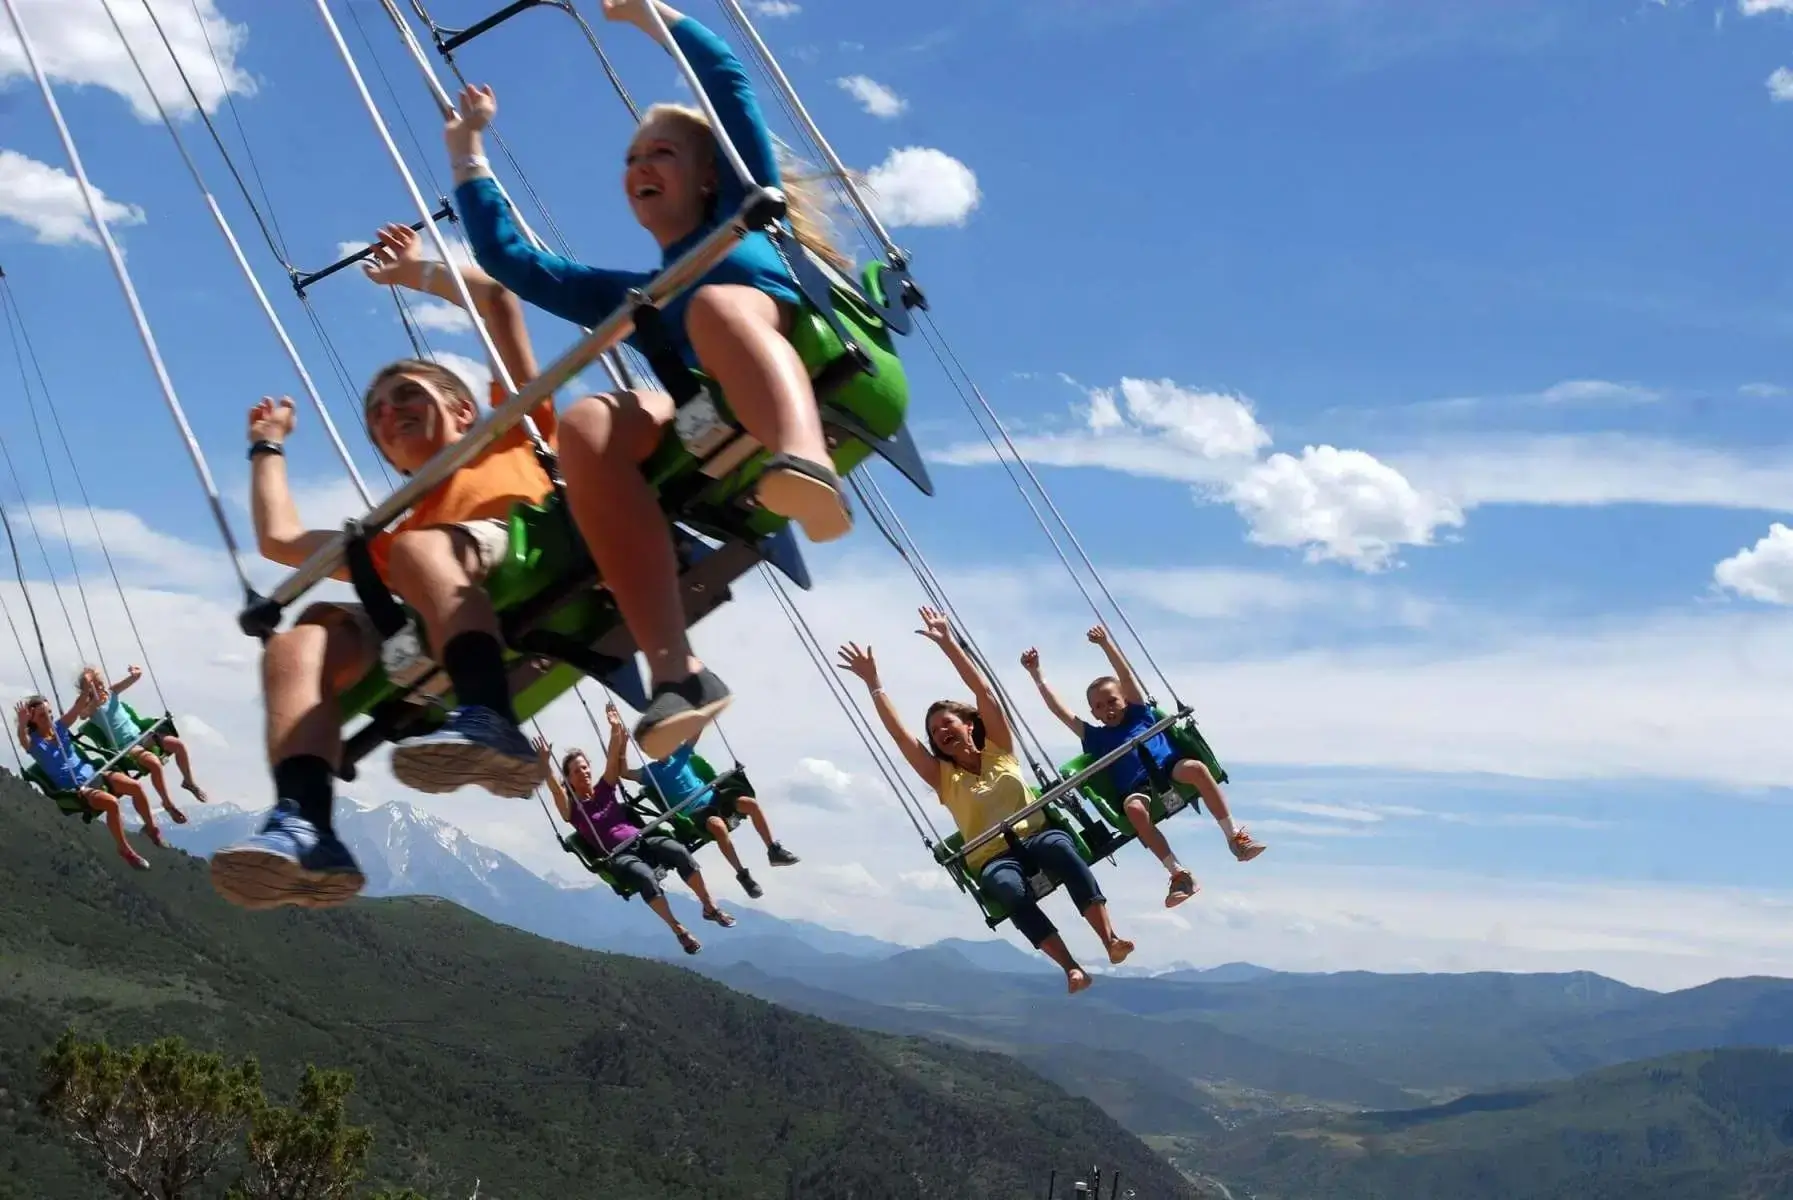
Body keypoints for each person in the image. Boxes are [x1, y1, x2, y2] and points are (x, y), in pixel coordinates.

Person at [444, 0, 856, 755]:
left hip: (784, 348)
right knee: (587, 424)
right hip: (715, 400)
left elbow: (727, 79)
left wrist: (649, 15)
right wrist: (467, 152)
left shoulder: (746, 210)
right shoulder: (638, 295)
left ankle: (806, 459)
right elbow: (517, 265)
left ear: (707, 178)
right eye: (632, 160)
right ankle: (678, 672)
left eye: (661, 153)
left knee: (714, 310)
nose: (639, 167)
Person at [209, 223, 562, 911]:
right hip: (426, 592)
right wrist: (266, 447)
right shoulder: (393, 534)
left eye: (406, 395)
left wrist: (410, 273)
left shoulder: (513, 432)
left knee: (416, 550)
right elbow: (280, 540)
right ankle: (304, 824)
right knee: (296, 640)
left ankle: (488, 714)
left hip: (517, 544)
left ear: (462, 409)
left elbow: (499, 305)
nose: (389, 410)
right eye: (376, 413)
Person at [837, 608, 1134, 995]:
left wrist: (948, 643)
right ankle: (1071, 968)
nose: (941, 731)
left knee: (1062, 850)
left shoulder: (999, 749)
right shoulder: (942, 778)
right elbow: (899, 737)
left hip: (1037, 834)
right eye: (934, 731)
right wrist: (874, 684)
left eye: (948, 723)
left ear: (969, 724)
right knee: (1007, 889)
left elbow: (984, 693)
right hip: (992, 856)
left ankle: (1109, 938)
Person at [1024, 626, 1264, 909]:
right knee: (1135, 811)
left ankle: (1235, 837)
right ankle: (1178, 874)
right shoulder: (1095, 737)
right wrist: (1036, 674)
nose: (1108, 709)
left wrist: (1106, 644)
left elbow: (1125, 674)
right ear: (1093, 713)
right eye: (1099, 707)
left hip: (1169, 767)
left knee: (1197, 769)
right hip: (1136, 787)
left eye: (1112, 701)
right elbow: (1060, 711)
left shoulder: (1139, 711)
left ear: (1124, 698)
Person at [535, 707, 735, 956]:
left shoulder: (605, 789)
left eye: (585, 767)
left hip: (642, 838)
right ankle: (679, 929)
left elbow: (613, 757)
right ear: (569, 779)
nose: (584, 772)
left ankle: (709, 906)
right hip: (619, 856)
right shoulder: (573, 810)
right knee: (645, 878)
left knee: (678, 851)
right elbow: (556, 792)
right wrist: (545, 767)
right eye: (577, 771)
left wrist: (615, 728)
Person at [624, 739, 799, 900]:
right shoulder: (651, 772)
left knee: (750, 804)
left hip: (715, 797)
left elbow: (695, 731)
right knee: (718, 826)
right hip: (695, 812)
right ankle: (743, 874)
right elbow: (624, 772)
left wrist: (697, 709)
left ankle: (774, 850)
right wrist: (620, 739)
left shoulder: (681, 754)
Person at [16, 692, 164, 870]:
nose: (48, 717)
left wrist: (86, 687)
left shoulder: (60, 728)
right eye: (42, 715)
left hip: (94, 772)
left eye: (49, 712)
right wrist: (22, 723)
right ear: (34, 721)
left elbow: (77, 706)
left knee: (135, 787)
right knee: (112, 803)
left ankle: (151, 828)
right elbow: (23, 741)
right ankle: (124, 849)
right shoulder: (36, 745)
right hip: (78, 788)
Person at [76, 664, 209, 813]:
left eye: (100, 683)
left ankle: (188, 781)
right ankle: (167, 802)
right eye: (94, 685)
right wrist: (94, 702)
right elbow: (82, 714)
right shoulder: (87, 706)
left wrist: (135, 673)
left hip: (140, 735)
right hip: (126, 746)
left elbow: (133, 679)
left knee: (178, 745)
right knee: (154, 763)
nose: (99, 688)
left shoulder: (112, 692)